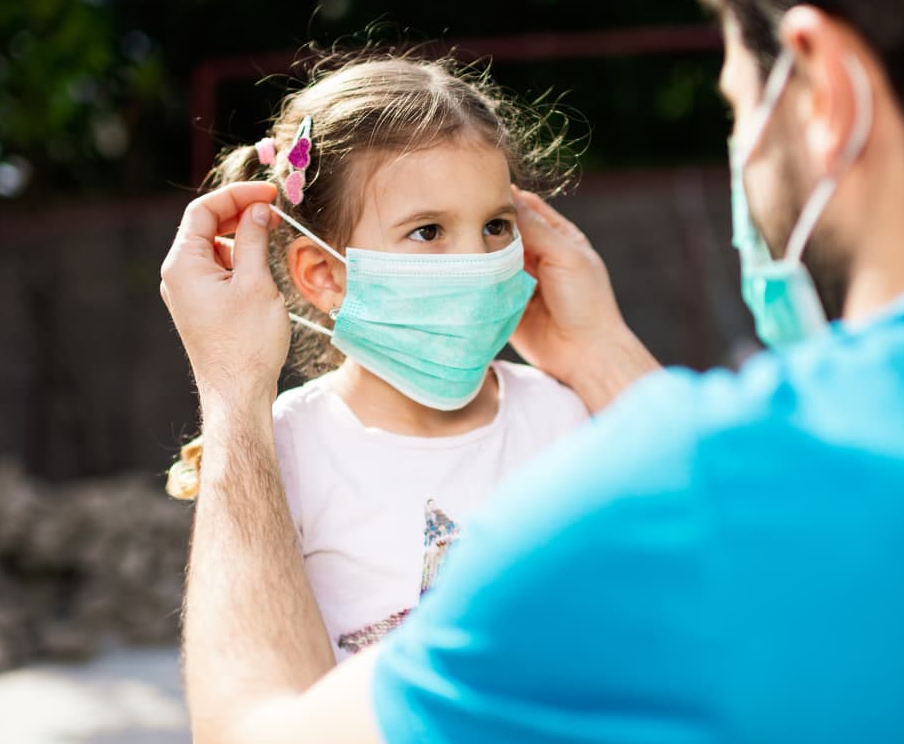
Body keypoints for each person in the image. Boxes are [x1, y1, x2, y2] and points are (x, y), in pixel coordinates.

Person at [158, 0, 904, 741]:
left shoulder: (676, 498)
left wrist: (231, 396)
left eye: (734, 86)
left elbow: (262, 733)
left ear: (823, 91)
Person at [165, 57, 589, 662]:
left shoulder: (562, 416)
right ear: (325, 276)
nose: (476, 259)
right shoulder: (278, 453)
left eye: (496, 225)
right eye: (428, 231)